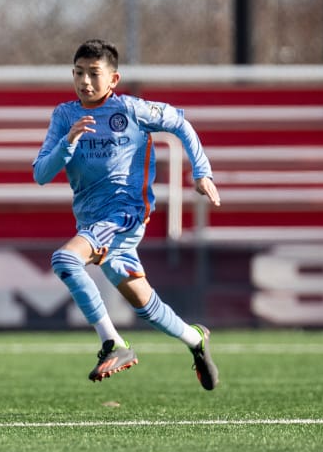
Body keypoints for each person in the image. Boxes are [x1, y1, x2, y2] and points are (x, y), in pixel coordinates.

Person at [33, 38, 223, 389]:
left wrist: (202, 172)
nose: (84, 81)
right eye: (78, 73)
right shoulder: (64, 116)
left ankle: (113, 343)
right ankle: (195, 339)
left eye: (93, 73)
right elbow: (41, 174)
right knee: (146, 306)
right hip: (93, 221)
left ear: (114, 79)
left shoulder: (132, 110)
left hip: (125, 213)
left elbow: (180, 122)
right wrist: (67, 143)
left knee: (65, 260)